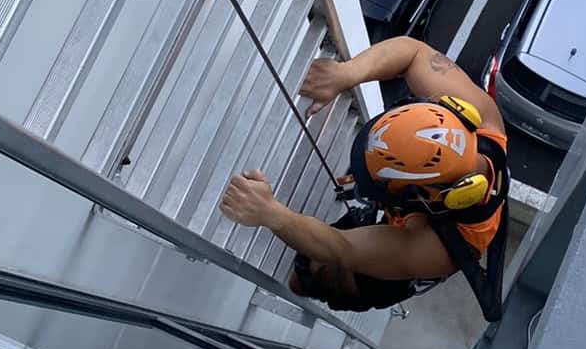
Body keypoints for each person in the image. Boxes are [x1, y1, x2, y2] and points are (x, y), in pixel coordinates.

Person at [219, 36, 510, 319]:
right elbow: (414, 53)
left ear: (424, 196)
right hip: (414, 216)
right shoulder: (482, 120)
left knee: (320, 275)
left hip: (400, 260)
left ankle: (304, 286)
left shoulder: (436, 251)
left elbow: (341, 248)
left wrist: (271, 214)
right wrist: (345, 74)